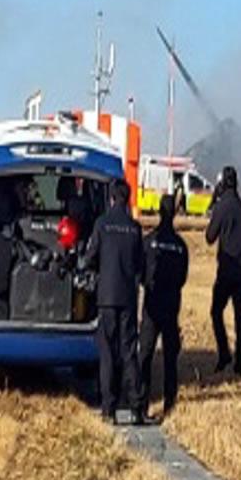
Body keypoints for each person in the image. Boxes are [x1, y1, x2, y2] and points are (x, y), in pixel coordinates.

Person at [85, 179, 146, 424]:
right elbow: (140, 264)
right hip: (128, 297)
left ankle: (109, 408)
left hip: (106, 297)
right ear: (128, 199)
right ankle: (137, 406)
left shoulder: (102, 224)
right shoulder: (134, 228)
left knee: (108, 351)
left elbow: (90, 257)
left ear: (111, 198)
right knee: (129, 350)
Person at [205, 165, 241, 375]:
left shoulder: (221, 208)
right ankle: (240, 363)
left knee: (216, 311)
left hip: (226, 269)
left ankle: (224, 352)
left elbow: (209, 237)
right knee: (240, 318)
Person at [139, 194, 189, 417]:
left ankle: (142, 403)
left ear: (159, 211)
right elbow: (182, 278)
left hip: (152, 304)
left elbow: (139, 272)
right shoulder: (180, 246)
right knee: (170, 356)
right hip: (171, 305)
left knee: (146, 355)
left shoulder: (148, 241)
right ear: (175, 213)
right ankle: (169, 402)